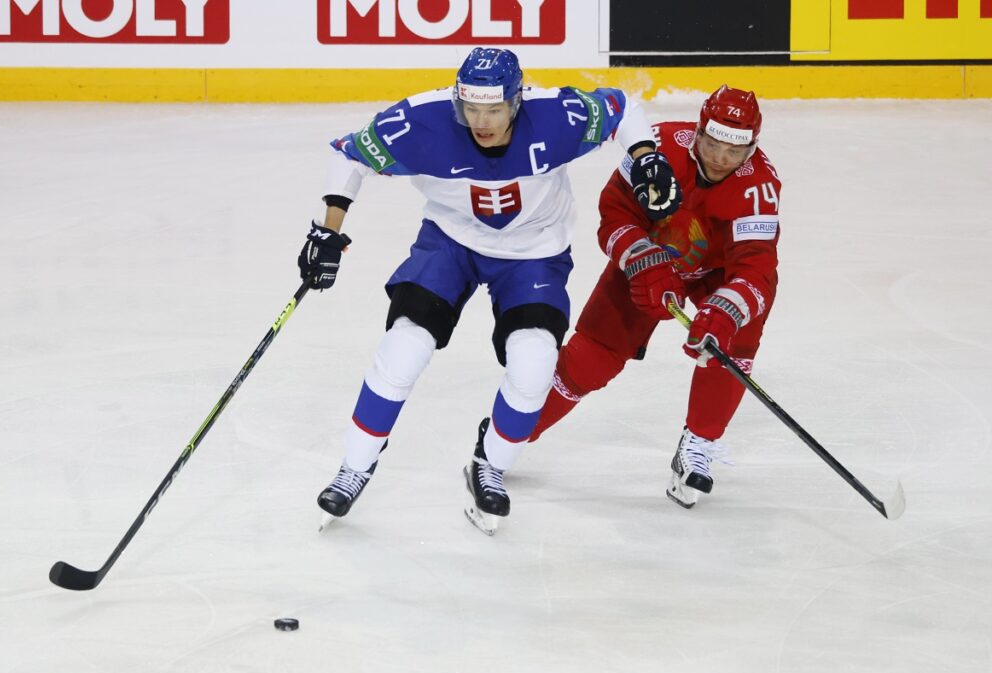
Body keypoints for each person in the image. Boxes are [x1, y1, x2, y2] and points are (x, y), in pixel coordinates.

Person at [296, 47, 681, 534]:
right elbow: (349, 153)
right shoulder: (421, 121)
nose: (481, 121)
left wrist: (647, 157)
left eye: (494, 109)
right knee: (404, 346)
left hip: (534, 250)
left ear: (516, 101)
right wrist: (328, 229)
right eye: (470, 108)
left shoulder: (558, 115)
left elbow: (622, 109)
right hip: (450, 241)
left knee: (535, 361)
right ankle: (355, 466)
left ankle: (490, 465)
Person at [528, 85, 781, 509]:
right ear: (698, 132)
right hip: (650, 263)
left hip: (714, 272)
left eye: (734, 152)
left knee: (736, 334)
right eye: (713, 144)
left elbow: (756, 269)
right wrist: (640, 259)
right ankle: (516, 429)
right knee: (592, 358)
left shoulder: (759, 187)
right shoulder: (657, 148)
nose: (721, 158)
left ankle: (699, 443)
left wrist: (726, 310)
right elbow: (613, 213)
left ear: (752, 148)